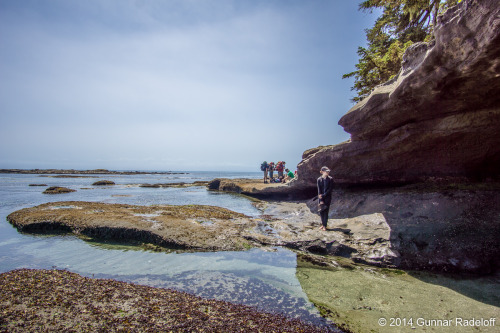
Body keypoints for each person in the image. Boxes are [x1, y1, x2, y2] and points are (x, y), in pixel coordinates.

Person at [317, 166, 333, 231]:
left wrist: (323, 195)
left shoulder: (330, 179)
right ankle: (323, 224)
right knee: (321, 211)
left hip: (327, 197)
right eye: (326, 171)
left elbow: (330, 189)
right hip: (321, 197)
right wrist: (320, 199)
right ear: (322, 172)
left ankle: (324, 226)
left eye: (328, 171)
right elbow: (319, 189)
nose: (328, 172)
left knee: (326, 211)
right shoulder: (319, 179)